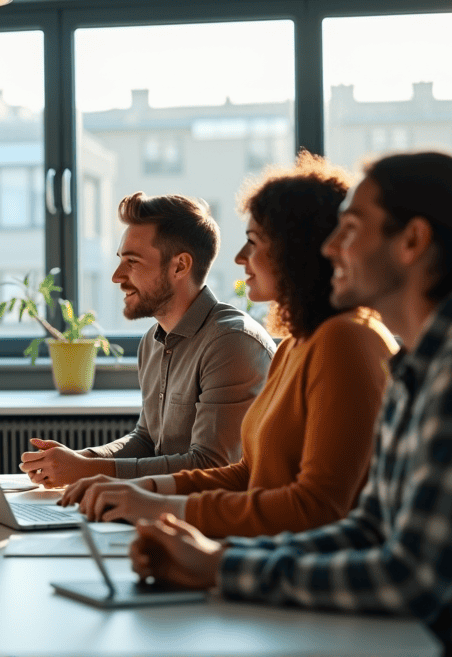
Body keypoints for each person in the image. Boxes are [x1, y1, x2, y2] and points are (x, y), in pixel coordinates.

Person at [128, 151, 452, 656]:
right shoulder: (417, 365)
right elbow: (368, 528)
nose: (331, 246)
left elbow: (408, 578)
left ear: (413, 241)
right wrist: (213, 559)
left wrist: (220, 565)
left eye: (352, 228)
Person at [61, 152, 397, 538]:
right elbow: (248, 473)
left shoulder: (346, 341)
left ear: (297, 249)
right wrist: (142, 490)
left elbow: (317, 508)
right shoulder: (294, 346)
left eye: (253, 242)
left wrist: (161, 508)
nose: (239, 257)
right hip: (265, 549)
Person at [19, 192, 275, 487]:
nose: (117, 276)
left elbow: (211, 466)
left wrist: (86, 471)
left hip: (213, 523)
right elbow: (146, 439)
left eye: (132, 261)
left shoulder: (232, 343)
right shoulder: (152, 342)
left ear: (179, 266)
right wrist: (81, 459)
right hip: (158, 508)